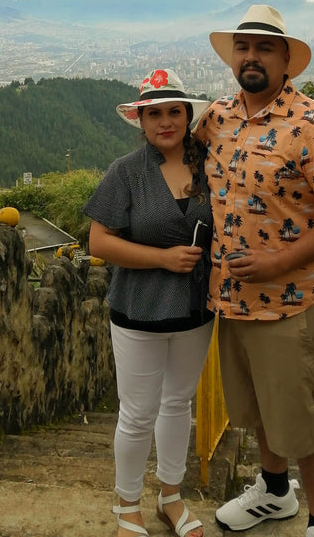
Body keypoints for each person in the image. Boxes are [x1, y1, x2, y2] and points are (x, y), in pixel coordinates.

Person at [195, 5, 314, 537]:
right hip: (234, 299)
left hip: (298, 301)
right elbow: (167, 134)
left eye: (265, 48)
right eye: (243, 48)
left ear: (286, 59)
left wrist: (276, 262)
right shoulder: (217, 118)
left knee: (308, 419)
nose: (251, 57)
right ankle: (273, 492)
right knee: (262, 408)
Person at [82, 68, 214, 537]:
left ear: (187, 115)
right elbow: (99, 242)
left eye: (173, 111)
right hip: (138, 309)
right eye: (153, 113)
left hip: (196, 309)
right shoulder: (126, 173)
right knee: (137, 412)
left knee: (178, 403)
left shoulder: (210, 165)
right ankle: (126, 504)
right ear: (140, 120)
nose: (164, 122)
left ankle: (171, 496)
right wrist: (161, 258)